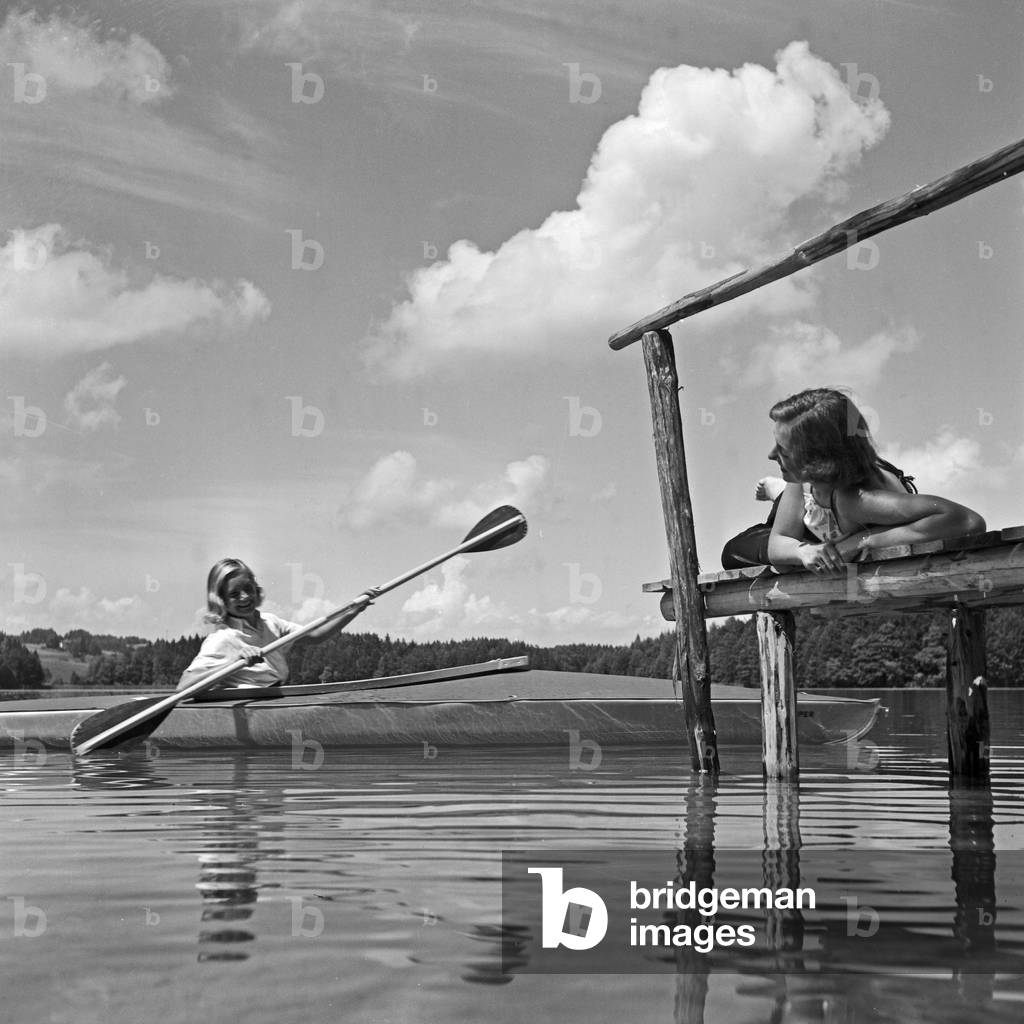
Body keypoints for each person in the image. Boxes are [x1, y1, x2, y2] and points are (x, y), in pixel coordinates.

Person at [721, 388, 986, 573]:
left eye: (783, 451)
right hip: (814, 513)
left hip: (830, 514)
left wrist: (861, 542)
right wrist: (803, 553)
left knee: (738, 553)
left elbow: (968, 521)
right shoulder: (800, 479)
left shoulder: (858, 500)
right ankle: (780, 497)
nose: (770, 455)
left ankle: (787, 507)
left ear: (817, 460)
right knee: (733, 553)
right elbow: (778, 544)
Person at [177, 558, 371, 692]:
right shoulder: (221, 639)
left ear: (256, 588)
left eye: (248, 589)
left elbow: (317, 635)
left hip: (275, 695)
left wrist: (353, 610)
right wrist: (233, 663)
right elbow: (184, 686)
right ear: (220, 600)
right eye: (234, 594)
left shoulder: (272, 623)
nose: (244, 597)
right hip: (249, 706)